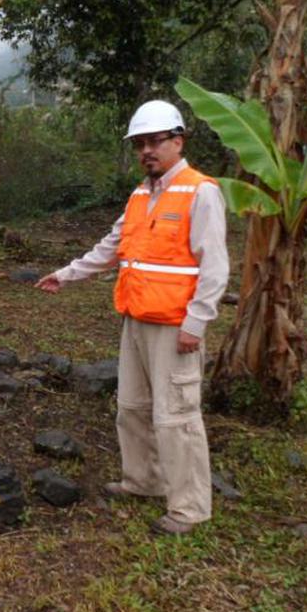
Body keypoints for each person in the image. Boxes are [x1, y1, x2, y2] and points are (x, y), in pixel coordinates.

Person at [35, 100, 229, 536]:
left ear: (177, 142)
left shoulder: (201, 192)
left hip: (175, 326)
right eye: (140, 144)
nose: (147, 151)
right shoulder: (142, 195)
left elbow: (215, 267)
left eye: (155, 142)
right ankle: (143, 481)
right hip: (136, 318)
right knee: (132, 408)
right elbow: (112, 246)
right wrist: (67, 275)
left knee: (177, 415)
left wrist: (196, 324)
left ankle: (190, 508)